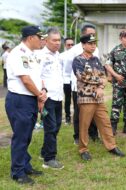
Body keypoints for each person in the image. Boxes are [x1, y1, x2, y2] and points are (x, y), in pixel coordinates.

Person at [72, 34, 125, 161]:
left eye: (94, 43)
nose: (93, 45)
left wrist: (101, 87)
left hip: (99, 98)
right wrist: (100, 81)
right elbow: (82, 76)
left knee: (105, 122)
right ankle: (83, 149)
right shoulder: (78, 60)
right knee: (84, 125)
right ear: (83, 45)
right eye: (90, 43)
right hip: (86, 98)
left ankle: (111, 146)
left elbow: (104, 76)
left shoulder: (96, 59)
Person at [5, 25, 47, 185]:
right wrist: (39, 94)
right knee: (21, 137)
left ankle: (25, 165)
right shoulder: (17, 53)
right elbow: (26, 80)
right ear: (30, 38)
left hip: (30, 99)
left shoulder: (32, 54)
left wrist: (42, 91)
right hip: (19, 100)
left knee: (27, 135)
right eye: (39, 37)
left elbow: (36, 77)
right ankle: (17, 172)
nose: (42, 40)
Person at [62, 24, 100, 144]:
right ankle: (77, 137)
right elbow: (67, 68)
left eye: (94, 34)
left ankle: (94, 135)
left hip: (94, 86)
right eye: (90, 34)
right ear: (83, 34)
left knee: (94, 110)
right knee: (79, 113)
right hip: (79, 87)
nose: (92, 36)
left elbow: (98, 66)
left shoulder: (96, 48)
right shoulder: (74, 50)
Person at [105, 31, 126, 135]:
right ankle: (113, 126)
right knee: (116, 103)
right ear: (121, 39)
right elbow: (107, 64)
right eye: (125, 37)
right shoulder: (116, 50)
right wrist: (115, 75)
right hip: (118, 81)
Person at [39, 27, 64, 169]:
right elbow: (38, 76)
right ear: (46, 40)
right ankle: (49, 159)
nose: (57, 43)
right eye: (54, 40)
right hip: (47, 98)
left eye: (59, 40)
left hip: (58, 96)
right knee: (51, 127)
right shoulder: (40, 55)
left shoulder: (58, 55)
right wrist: (40, 97)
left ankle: (44, 152)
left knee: (57, 126)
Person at [61, 37, 75, 124]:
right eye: (68, 45)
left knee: (77, 99)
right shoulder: (62, 55)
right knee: (67, 99)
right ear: (65, 45)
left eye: (72, 44)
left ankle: (77, 117)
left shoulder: (77, 54)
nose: (70, 46)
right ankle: (67, 117)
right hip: (66, 79)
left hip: (75, 79)